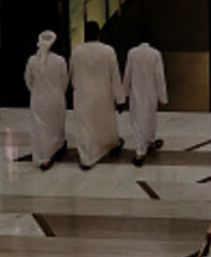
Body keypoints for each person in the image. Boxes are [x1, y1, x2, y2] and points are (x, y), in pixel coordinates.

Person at [69, 21, 124, 169]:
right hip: (103, 94)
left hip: (83, 95)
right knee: (105, 124)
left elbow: (72, 74)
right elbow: (115, 76)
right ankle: (108, 145)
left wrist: (76, 88)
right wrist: (120, 99)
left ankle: (87, 156)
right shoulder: (108, 51)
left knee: (85, 127)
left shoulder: (76, 51)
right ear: (99, 34)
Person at [123, 26, 168, 167]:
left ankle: (141, 149)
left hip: (136, 93)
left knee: (137, 121)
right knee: (150, 118)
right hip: (151, 93)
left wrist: (123, 94)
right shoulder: (155, 54)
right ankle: (145, 146)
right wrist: (162, 97)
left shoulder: (132, 53)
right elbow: (159, 77)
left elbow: (127, 74)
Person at [24, 30, 68, 170]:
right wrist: (58, 93)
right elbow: (65, 81)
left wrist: (36, 92)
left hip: (38, 100)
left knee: (40, 130)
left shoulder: (32, 60)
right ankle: (53, 151)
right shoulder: (60, 61)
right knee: (55, 127)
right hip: (56, 99)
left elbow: (28, 80)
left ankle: (43, 156)